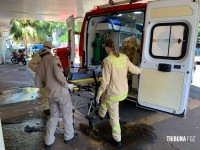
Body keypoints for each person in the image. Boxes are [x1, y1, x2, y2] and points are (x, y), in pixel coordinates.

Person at [95, 39, 142, 147]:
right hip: (123, 91)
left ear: (107, 48)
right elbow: (136, 70)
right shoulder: (124, 57)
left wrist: (97, 94)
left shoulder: (107, 60)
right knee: (104, 96)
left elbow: (105, 82)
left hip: (114, 94)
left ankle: (117, 139)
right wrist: (142, 67)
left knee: (114, 117)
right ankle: (102, 113)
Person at [35, 47, 77, 150]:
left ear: (41, 56)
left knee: (53, 116)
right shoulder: (54, 59)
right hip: (62, 93)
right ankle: (69, 136)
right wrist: (67, 85)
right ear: (49, 52)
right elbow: (59, 75)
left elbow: (37, 84)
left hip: (50, 95)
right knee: (67, 114)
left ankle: (48, 141)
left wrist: (48, 85)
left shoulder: (39, 65)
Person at [28, 41, 54, 115]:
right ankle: (46, 109)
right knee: (44, 93)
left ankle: (50, 107)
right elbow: (30, 64)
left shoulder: (50, 54)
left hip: (49, 77)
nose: (49, 49)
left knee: (50, 92)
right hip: (42, 77)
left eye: (49, 48)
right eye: (48, 48)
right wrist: (38, 70)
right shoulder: (38, 54)